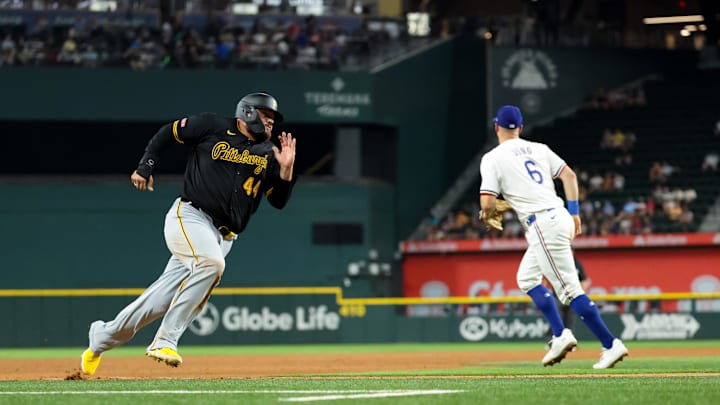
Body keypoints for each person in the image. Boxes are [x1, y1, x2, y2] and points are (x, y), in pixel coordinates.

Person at [80, 92, 297, 375]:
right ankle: (165, 340)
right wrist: (146, 165)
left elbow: (278, 202)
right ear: (246, 112)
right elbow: (167, 133)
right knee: (212, 264)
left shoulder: (269, 153)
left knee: (156, 302)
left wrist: (286, 170)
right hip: (190, 217)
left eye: (273, 120)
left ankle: (101, 338)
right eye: (265, 116)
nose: (270, 123)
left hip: (225, 237)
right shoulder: (211, 125)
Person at [479, 105, 628, 369]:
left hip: (542, 224)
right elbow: (569, 176)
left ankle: (610, 344)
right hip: (559, 216)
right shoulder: (540, 148)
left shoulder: (492, 157)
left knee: (570, 290)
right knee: (526, 278)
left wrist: (487, 212)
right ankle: (560, 335)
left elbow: (488, 202)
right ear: (521, 128)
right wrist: (575, 213)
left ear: (496, 127)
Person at [544, 256, 589, 343]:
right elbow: (546, 280)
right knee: (557, 320)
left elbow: (583, 280)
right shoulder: (555, 262)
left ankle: (569, 343)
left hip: (572, 297)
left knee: (569, 322)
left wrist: (582, 295)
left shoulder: (576, 264)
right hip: (557, 297)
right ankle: (552, 341)